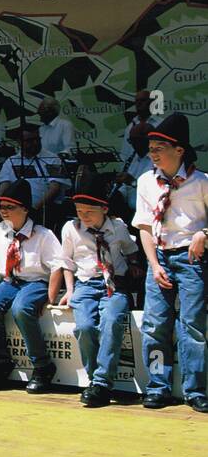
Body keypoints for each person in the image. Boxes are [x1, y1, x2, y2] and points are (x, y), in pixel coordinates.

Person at [131, 113, 208, 411]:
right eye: (150, 148)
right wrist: (154, 264)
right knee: (155, 324)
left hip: (191, 257)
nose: (153, 154)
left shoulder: (201, 183)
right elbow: (145, 228)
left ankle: (195, 389)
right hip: (160, 256)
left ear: (179, 150)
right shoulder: (146, 182)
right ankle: (158, 386)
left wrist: (203, 233)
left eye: (159, 147)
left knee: (193, 326)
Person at [58, 172, 140, 408]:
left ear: (104, 208)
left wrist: (134, 265)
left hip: (114, 284)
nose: (84, 217)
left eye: (89, 212)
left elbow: (131, 249)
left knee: (111, 320)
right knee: (84, 326)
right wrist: (70, 290)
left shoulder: (118, 227)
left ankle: (102, 383)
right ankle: (96, 379)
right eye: (80, 212)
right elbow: (67, 262)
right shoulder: (71, 229)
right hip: (85, 283)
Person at [0, 178, 65, 393]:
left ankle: (42, 365)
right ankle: (0, 362)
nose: (4, 212)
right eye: (2, 207)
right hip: (9, 281)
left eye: (10, 207)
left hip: (35, 281)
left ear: (25, 210)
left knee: (22, 308)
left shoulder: (43, 235)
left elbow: (57, 267)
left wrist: (50, 297)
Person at [0, 123, 68, 224]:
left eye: (37, 139)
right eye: (29, 141)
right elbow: (4, 185)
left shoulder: (52, 159)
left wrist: (34, 209)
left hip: (43, 208)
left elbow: (54, 188)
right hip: (16, 209)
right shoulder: (11, 161)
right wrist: (0, 206)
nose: (34, 143)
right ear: (19, 142)